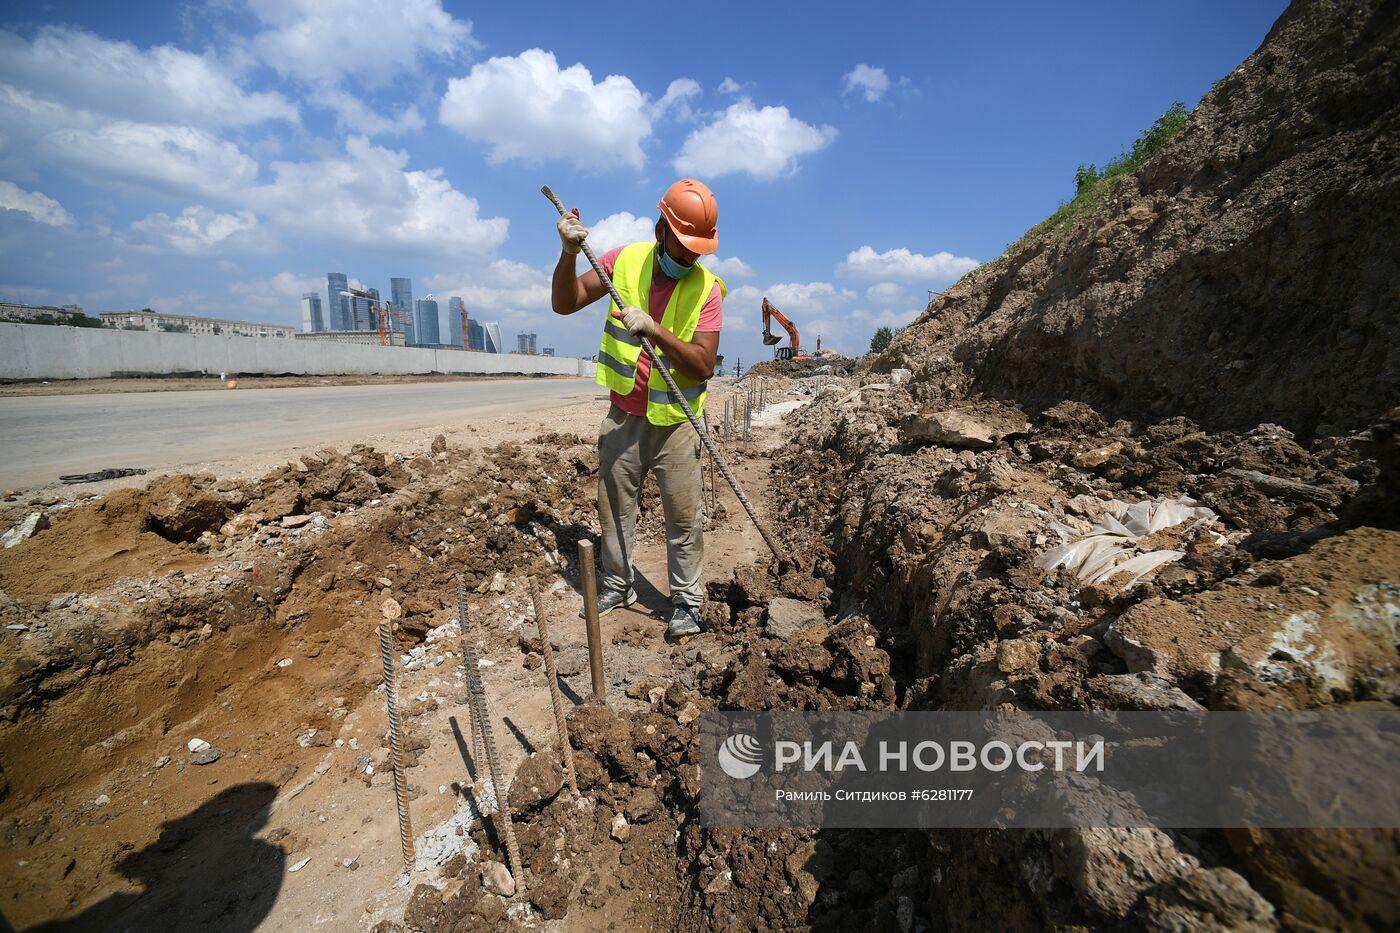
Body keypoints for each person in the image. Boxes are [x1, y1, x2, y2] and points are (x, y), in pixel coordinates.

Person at [550, 179, 725, 641]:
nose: (688, 258)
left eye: (696, 251)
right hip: (624, 417)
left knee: (683, 519)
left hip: (677, 426)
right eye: (682, 247)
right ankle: (617, 584)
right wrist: (568, 253)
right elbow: (564, 303)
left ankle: (687, 601)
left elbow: (704, 365)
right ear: (661, 228)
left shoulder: (707, 289)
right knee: (614, 509)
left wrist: (657, 331)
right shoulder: (621, 262)